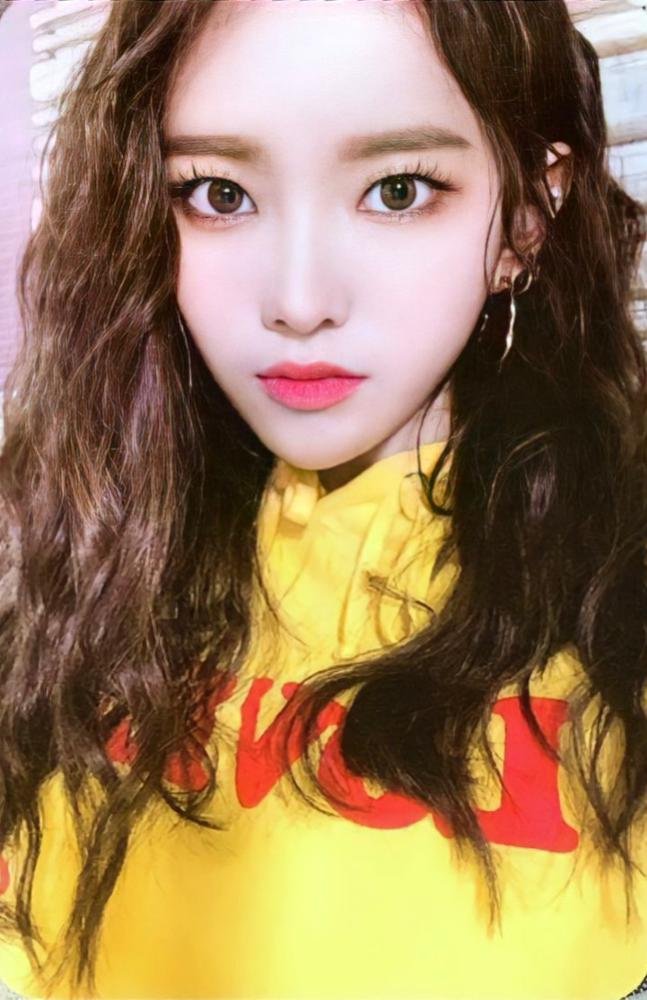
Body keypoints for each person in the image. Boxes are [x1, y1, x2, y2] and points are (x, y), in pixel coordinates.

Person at [0, 0, 645, 997]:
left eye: (397, 190)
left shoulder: (617, 608)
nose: (297, 302)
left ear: (524, 215)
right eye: (217, 193)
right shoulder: (85, 579)